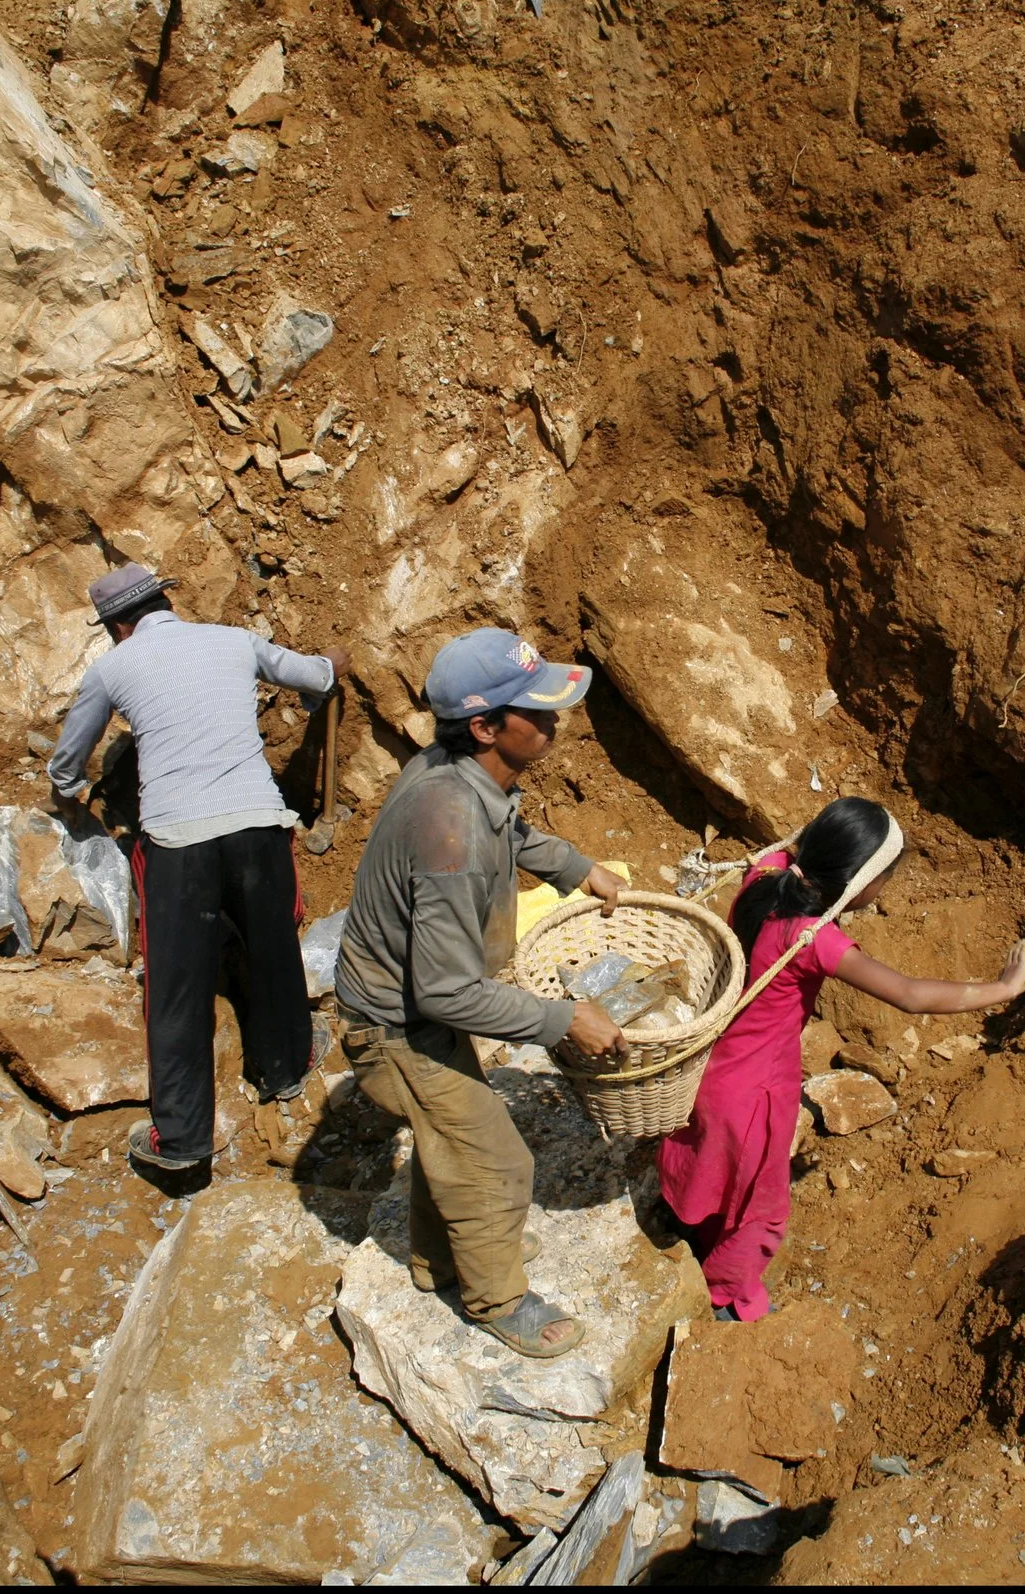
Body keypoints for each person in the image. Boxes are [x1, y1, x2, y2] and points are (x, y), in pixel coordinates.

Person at [334, 627, 629, 1358]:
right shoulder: (450, 830)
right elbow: (443, 992)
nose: (555, 721)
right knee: (498, 1160)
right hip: (393, 1025)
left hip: (411, 1008)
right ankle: (497, 1300)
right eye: (537, 711)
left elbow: (514, 831)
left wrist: (576, 867)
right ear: (486, 726)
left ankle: (437, 1262)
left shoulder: (455, 772)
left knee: (456, 1135)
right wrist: (562, 1019)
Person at [658, 797, 1025, 1322]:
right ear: (858, 884)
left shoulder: (763, 879)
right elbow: (910, 995)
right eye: (882, 880)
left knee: (705, 1159)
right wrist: (1002, 989)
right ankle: (725, 1294)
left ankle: (682, 1227)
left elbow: (788, 850)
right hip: (757, 1090)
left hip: (712, 1067)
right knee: (761, 1206)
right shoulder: (813, 939)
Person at [45, 562, 349, 1186]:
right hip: (260, 828)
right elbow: (314, 674)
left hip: (178, 842)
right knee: (272, 950)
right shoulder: (232, 640)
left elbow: (70, 754)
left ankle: (181, 1140)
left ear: (117, 627)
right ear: (164, 603)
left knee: (177, 990)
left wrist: (69, 790)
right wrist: (333, 663)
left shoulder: (113, 668)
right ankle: (285, 1066)